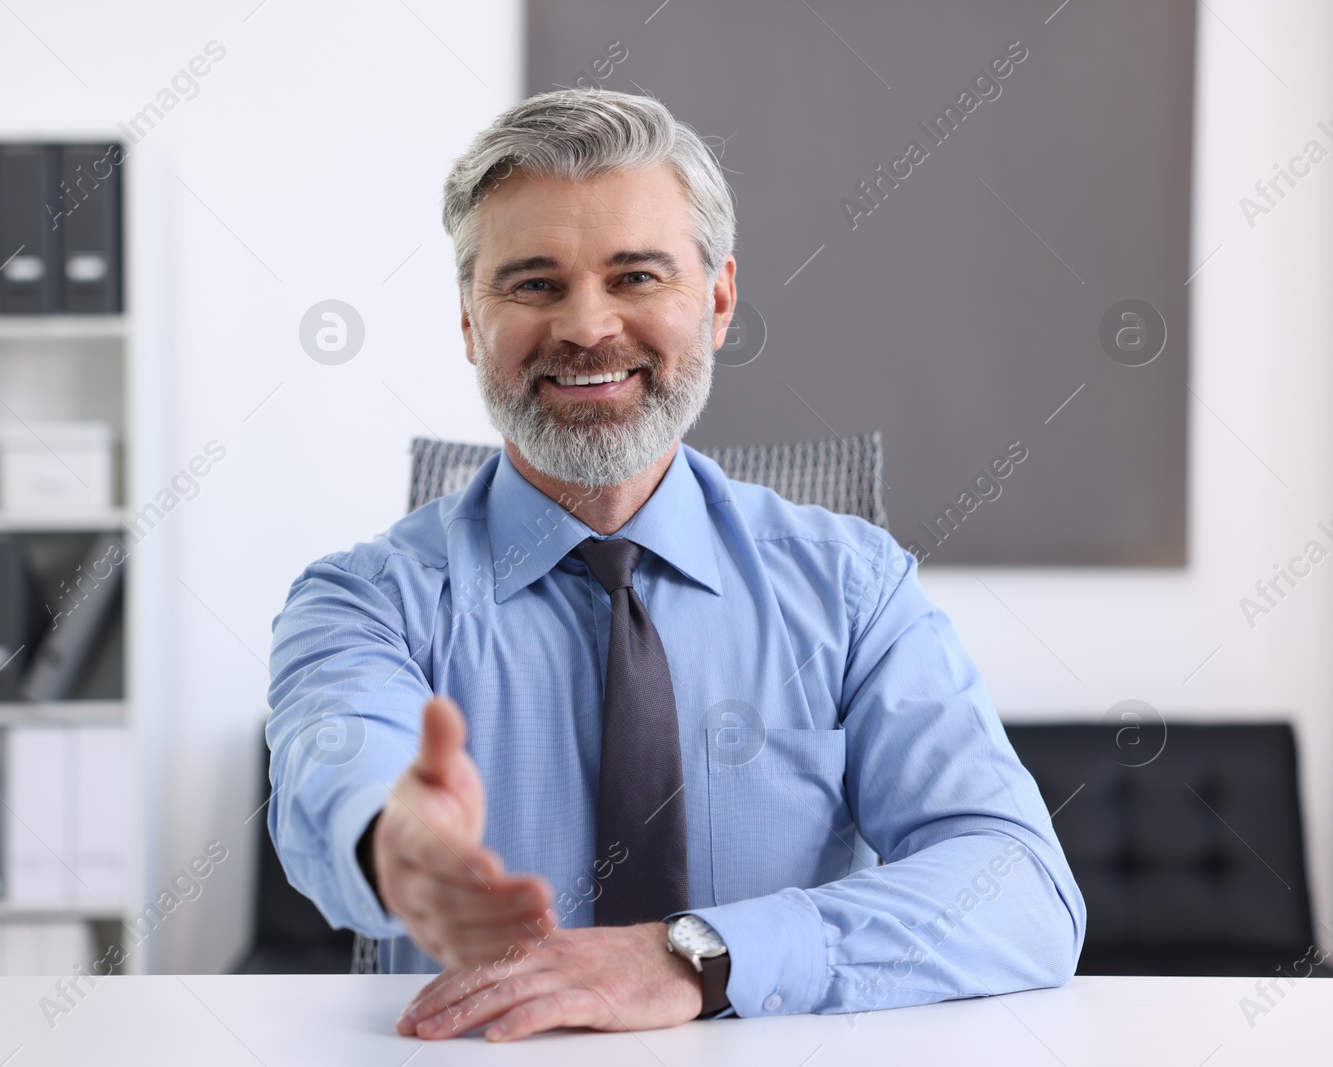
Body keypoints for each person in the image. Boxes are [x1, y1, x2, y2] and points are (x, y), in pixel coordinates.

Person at [266, 87, 1084, 1043]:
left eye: (636, 276)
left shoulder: (855, 591)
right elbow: (342, 766)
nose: (585, 325)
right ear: (466, 321)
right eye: (532, 283)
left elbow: (1020, 886)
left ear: (719, 299)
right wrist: (391, 842)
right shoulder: (363, 601)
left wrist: (697, 956)